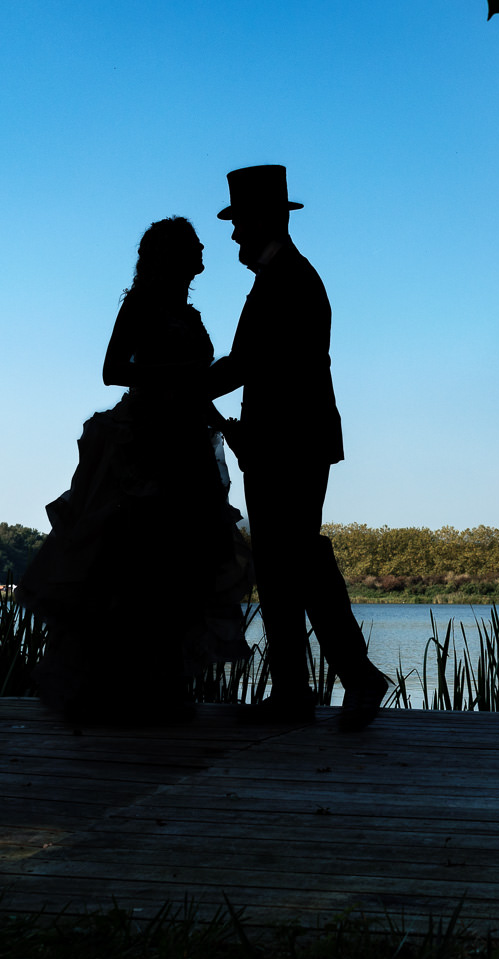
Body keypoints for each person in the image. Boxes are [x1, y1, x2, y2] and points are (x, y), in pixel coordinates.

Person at [18, 216, 252, 724]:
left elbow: (195, 386)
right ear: (173, 255)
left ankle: (163, 687)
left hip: (188, 441)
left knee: (183, 568)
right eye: (193, 244)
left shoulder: (187, 311)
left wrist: (220, 423)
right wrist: (179, 375)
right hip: (144, 442)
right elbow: (111, 370)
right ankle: (127, 691)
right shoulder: (140, 304)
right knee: (137, 565)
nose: (203, 249)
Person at [208, 165, 389, 731]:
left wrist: (179, 385)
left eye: (239, 223)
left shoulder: (287, 281)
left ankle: (353, 679)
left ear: (263, 219)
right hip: (280, 443)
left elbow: (245, 366)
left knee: (297, 558)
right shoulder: (281, 278)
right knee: (283, 563)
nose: (234, 235)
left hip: (291, 443)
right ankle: (297, 690)